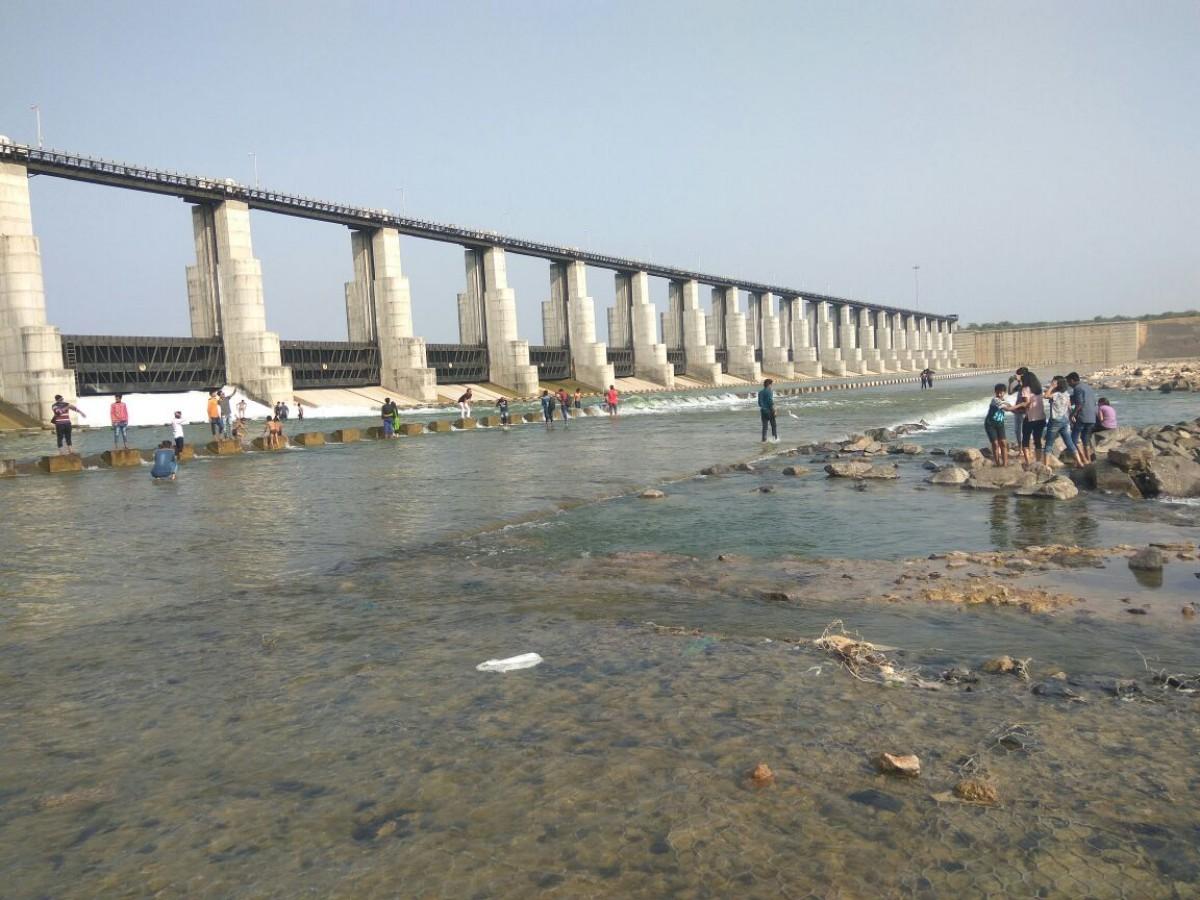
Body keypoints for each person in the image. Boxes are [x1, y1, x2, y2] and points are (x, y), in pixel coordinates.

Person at [1045, 376, 1085, 467]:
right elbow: (1069, 406)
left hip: (1055, 421)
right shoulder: (1066, 394)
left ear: (1057, 384)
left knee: (1049, 443)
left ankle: (1046, 466)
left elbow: (1046, 396)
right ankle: (1080, 462)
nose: (1052, 382)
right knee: (1069, 442)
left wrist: (1051, 387)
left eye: (1054, 382)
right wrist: (1072, 416)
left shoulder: (1056, 394)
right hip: (1065, 420)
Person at [1013, 370, 1045, 464]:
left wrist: (1013, 408)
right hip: (1041, 418)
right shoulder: (1039, 389)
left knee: (1025, 441)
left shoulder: (1025, 389)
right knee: (1037, 440)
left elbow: (1025, 404)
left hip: (1030, 418)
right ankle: (1038, 462)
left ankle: (1028, 462)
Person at [1067, 372, 1098, 464]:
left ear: (1072, 380)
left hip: (1083, 416)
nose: (1068, 384)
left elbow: (1080, 404)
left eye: (1069, 382)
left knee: (1073, 439)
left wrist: (1072, 414)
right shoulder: (1087, 387)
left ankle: (1083, 459)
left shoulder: (1078, 388)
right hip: (1092, 417)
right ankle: (1088, 460)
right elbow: (1092, 402)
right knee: (1085, 439)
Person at [984, 383, 1012, 467]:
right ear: (995, 393)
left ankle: (1005, 463)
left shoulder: (1005, 401)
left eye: (1001, 392)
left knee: (1003, 443)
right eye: (997, 393)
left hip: (1000, 424)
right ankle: (998, 463)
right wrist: (1021, 405)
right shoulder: (995, 400)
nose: (999, 394)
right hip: (990, 424)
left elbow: (1010, 406)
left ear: (1004, 392)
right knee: (995, 444)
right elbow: (1007, 409)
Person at [1007, 373, 1025, 451]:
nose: (1017, 376)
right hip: (1018, 411)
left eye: (1019, 374)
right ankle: (1021, 449)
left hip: (1024, 411)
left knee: (1023, 431)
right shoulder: (1020, 386)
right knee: (1017, 431)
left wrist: (1018, 380)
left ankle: (1024, 449)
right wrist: (1010, 383)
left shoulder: (1027, 386)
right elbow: (1010, 392)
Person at [758, 378, 778, 443]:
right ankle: (775, 439)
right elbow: (770, 401)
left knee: (765, 427)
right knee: (773, 426)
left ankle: (763, 440)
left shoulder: (760, 392)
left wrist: (764, 408)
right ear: (769, 384)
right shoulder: (769, 391)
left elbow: (760, 403)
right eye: (771, 384)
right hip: (769, 411)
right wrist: (774, 410)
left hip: (763, 411)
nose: (771, 386)